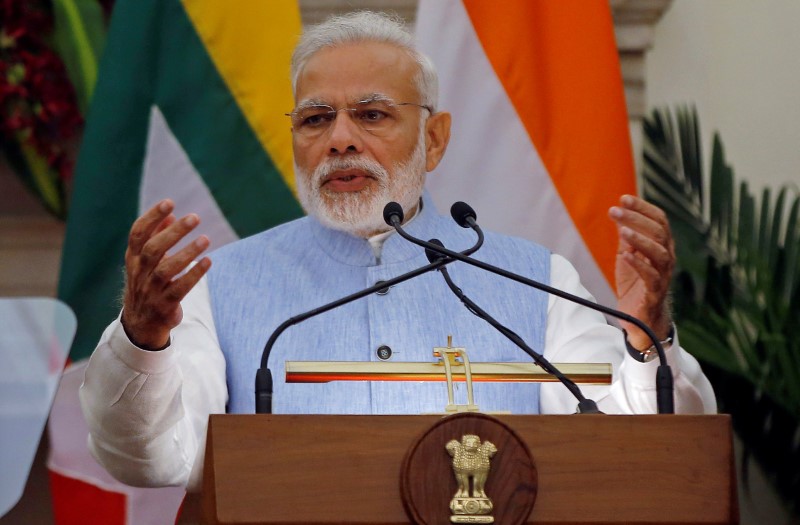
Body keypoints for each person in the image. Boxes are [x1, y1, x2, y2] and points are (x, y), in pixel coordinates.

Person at [79, 11, 716, 491]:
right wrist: (141, 339)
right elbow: (151, 455)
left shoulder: (532, 280)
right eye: (315, 118)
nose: (340, 140)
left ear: (433, 140)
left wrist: (645, 336)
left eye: (373, 114)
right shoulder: (222, 284)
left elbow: (627, 446)